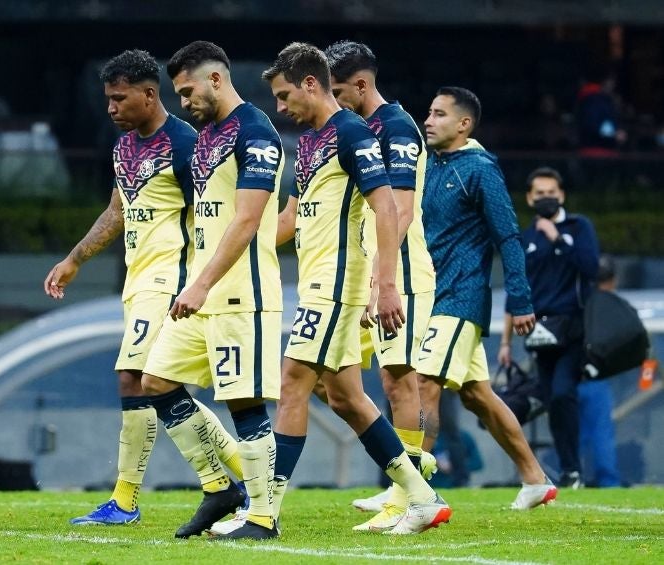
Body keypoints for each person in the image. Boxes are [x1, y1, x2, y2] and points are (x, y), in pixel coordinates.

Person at [252, 42, 449, 537]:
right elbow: (294, 217)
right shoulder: (315, 140)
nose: (280, 108)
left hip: (377, 274)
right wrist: (234, 254)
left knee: (386, 378)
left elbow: (395, 208)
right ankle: (417, 490)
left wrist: (384, 282)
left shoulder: (378, 129)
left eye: (284, 95)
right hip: (338, 278)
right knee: (341, 393)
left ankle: (265, 511)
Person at [44, 49, 243, 526]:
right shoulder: (124, 147)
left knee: (133, 378)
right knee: (160, 385)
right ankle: (247, 478)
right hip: (138, 281)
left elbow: (213, 213)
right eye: (108, 99)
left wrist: (202, 281)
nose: (110, 108)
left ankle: (127, 499)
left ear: (150, 95)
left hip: (171, 279)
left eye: (119, 98)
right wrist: (75, 259)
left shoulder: (186, 144)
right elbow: (117, 211)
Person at [139, 40, 283, 541]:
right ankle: (220, 488)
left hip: (241, 292)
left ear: (216, 79)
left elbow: (247, 220)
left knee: (244, 402)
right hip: (201, 292)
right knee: (156, 381)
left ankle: (263, 516)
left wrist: (200, 284)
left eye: (187, 91)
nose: (183, 102)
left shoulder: (256, 131)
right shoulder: (207, 137)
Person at [417, 86, 557, 510]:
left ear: (464, 124)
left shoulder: (479, 170)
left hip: (461, 295)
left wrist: (521, 299)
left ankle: (412, 491)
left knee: (423, 381)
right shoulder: (430, 164)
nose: (428, 120)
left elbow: (508, 237)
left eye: (439, 114)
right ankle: (535, 479)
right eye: (429, 112)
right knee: (477, 395)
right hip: (433, 293)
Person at [321, 40, 439, 526]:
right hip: (364, 274)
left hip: (399, 274)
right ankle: (409, 471)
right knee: (331, 380)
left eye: (337, 91)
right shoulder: (357, 128)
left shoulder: (396, 128)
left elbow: (402, 210)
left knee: (399, 379)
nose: (331, 100)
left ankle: (406, 494)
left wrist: (381, 281)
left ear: (361, 84)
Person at [497, 166, 599, 489]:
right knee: (553, 397)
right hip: (539, 335)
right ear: (529, 198)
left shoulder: (578, 227)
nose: (546, 198)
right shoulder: (525, 239)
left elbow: (591, 268)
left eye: (551, 193)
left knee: (562, 393)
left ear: (562, 195)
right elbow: (516, 291)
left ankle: (572, 469)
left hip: (575, 331)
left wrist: (558, 238)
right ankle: (562, 471)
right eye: (539, 193)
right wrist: (505, 343)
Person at [577, 254, 622, 487]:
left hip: (572, 376)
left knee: (576, 434)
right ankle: (608, 482)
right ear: (613, 279)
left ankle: (573, 478)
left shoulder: (578, 299)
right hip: (597, 380)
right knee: (601, 434)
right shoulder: (613, 307)